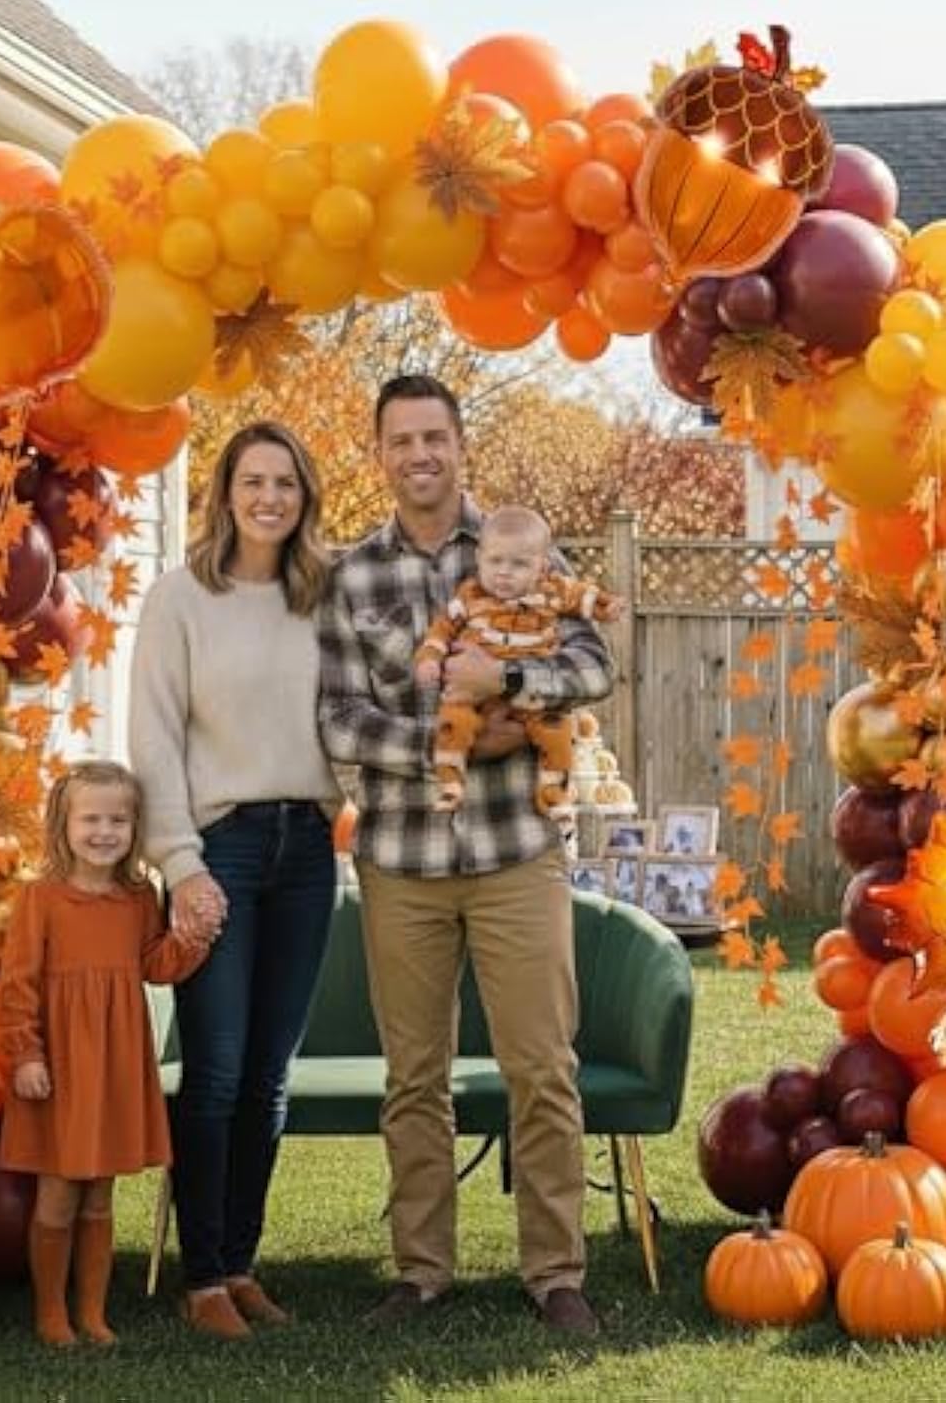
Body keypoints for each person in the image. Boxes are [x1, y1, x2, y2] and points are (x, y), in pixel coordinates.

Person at [318, 375, 614, 1336]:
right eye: (401, 440)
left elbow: (595, 664)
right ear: (379, 454)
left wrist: (511, 681)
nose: (419, 455)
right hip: (401, 860)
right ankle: (421, 1273)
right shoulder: (352, 576)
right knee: (414, 1079)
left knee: (543, 1067)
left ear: (459, 445)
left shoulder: (519, 549)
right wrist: (447, 745)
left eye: (434, 437)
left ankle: (555, 1273)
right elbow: (338, 718)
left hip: (515, 852)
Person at [129, 420, 340, 1341]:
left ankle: (242, 1265)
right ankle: (202, 1276)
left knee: (268, 1076)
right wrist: (179, 863)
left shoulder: (324, 597)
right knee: (214, 1068)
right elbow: (152, 737)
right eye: (252, 481)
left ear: (305, 497)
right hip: (222, 848)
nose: (269, 498)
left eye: (285, 483)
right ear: (224, 493)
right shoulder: (180, 599)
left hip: (309, 850)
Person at [0, 760, 215, 1348]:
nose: (104, 832)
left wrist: (190, 940)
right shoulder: (40, 898)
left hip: (115, 1060)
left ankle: (92, 1313)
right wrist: (26, 1055)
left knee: (99, 1193)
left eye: (118, 820)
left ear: (136, 827)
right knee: (59, 1191)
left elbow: (153, 965)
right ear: (62, 825)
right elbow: (18, 984)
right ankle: (51, 1313)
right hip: (60, 1064)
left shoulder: (139, 897)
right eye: (90, 819)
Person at [413, 503, 621, 815]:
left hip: (528, 698)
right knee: (453, 723)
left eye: (519, 564)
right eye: (495, 561)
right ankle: (451, 783)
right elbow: (441, 630)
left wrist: (606, 606)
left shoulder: (551, 590)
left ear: (542, 567)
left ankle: (554, 793)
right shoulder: (470, 596)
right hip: (472, 699)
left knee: (558, 732)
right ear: (479, 558)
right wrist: (429, 659)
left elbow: (583, 598)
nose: (504, 572)